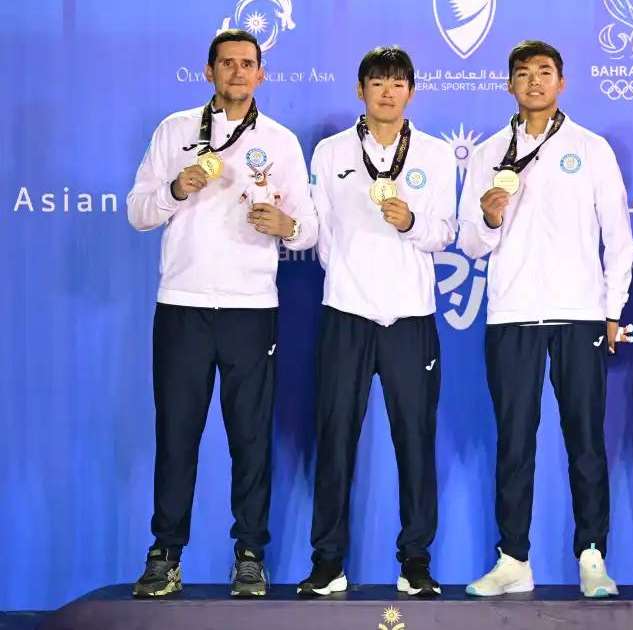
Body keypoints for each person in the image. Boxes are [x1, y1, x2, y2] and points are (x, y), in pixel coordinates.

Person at [126, 29, 317, 598]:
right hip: (182, 306)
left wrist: (288, 229)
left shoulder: (280, 141)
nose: (238, 72)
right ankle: (165, 554)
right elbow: (138, 212)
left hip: (250, 310)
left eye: (248, 64)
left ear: (261, 75)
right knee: (177, 436)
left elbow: (308, 225)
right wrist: (175, 189)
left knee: (250, 439)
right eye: (227, 63)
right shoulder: (174, 131)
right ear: (208, 71)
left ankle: (250, 554)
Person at [457, 39, 633, 598]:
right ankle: (513, 558)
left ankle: (592, 556)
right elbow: (470, 243)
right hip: (510, 316)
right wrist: (488, 217)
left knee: (585, 442)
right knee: (514, 443)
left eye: (544, 72)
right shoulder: (488, 152)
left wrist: (611, 311)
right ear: (508, 85)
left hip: (579, 315)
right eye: (522, 74)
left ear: (562, 81)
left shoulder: (591, 148)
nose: (534, 81)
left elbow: (620, 238)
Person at [298, 46, 456, 598]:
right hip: (346, 313)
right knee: (335, 437)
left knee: (415, 440)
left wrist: (410, 222)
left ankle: (415, 561)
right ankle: (327, 563)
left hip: (411, 318)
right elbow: (317, 234)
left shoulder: (436, 155)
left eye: (397, 83)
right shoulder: (329, 151)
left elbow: (443, 234)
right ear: (359, 90)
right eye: (377, 82)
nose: (387, 92)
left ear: (411, 92)